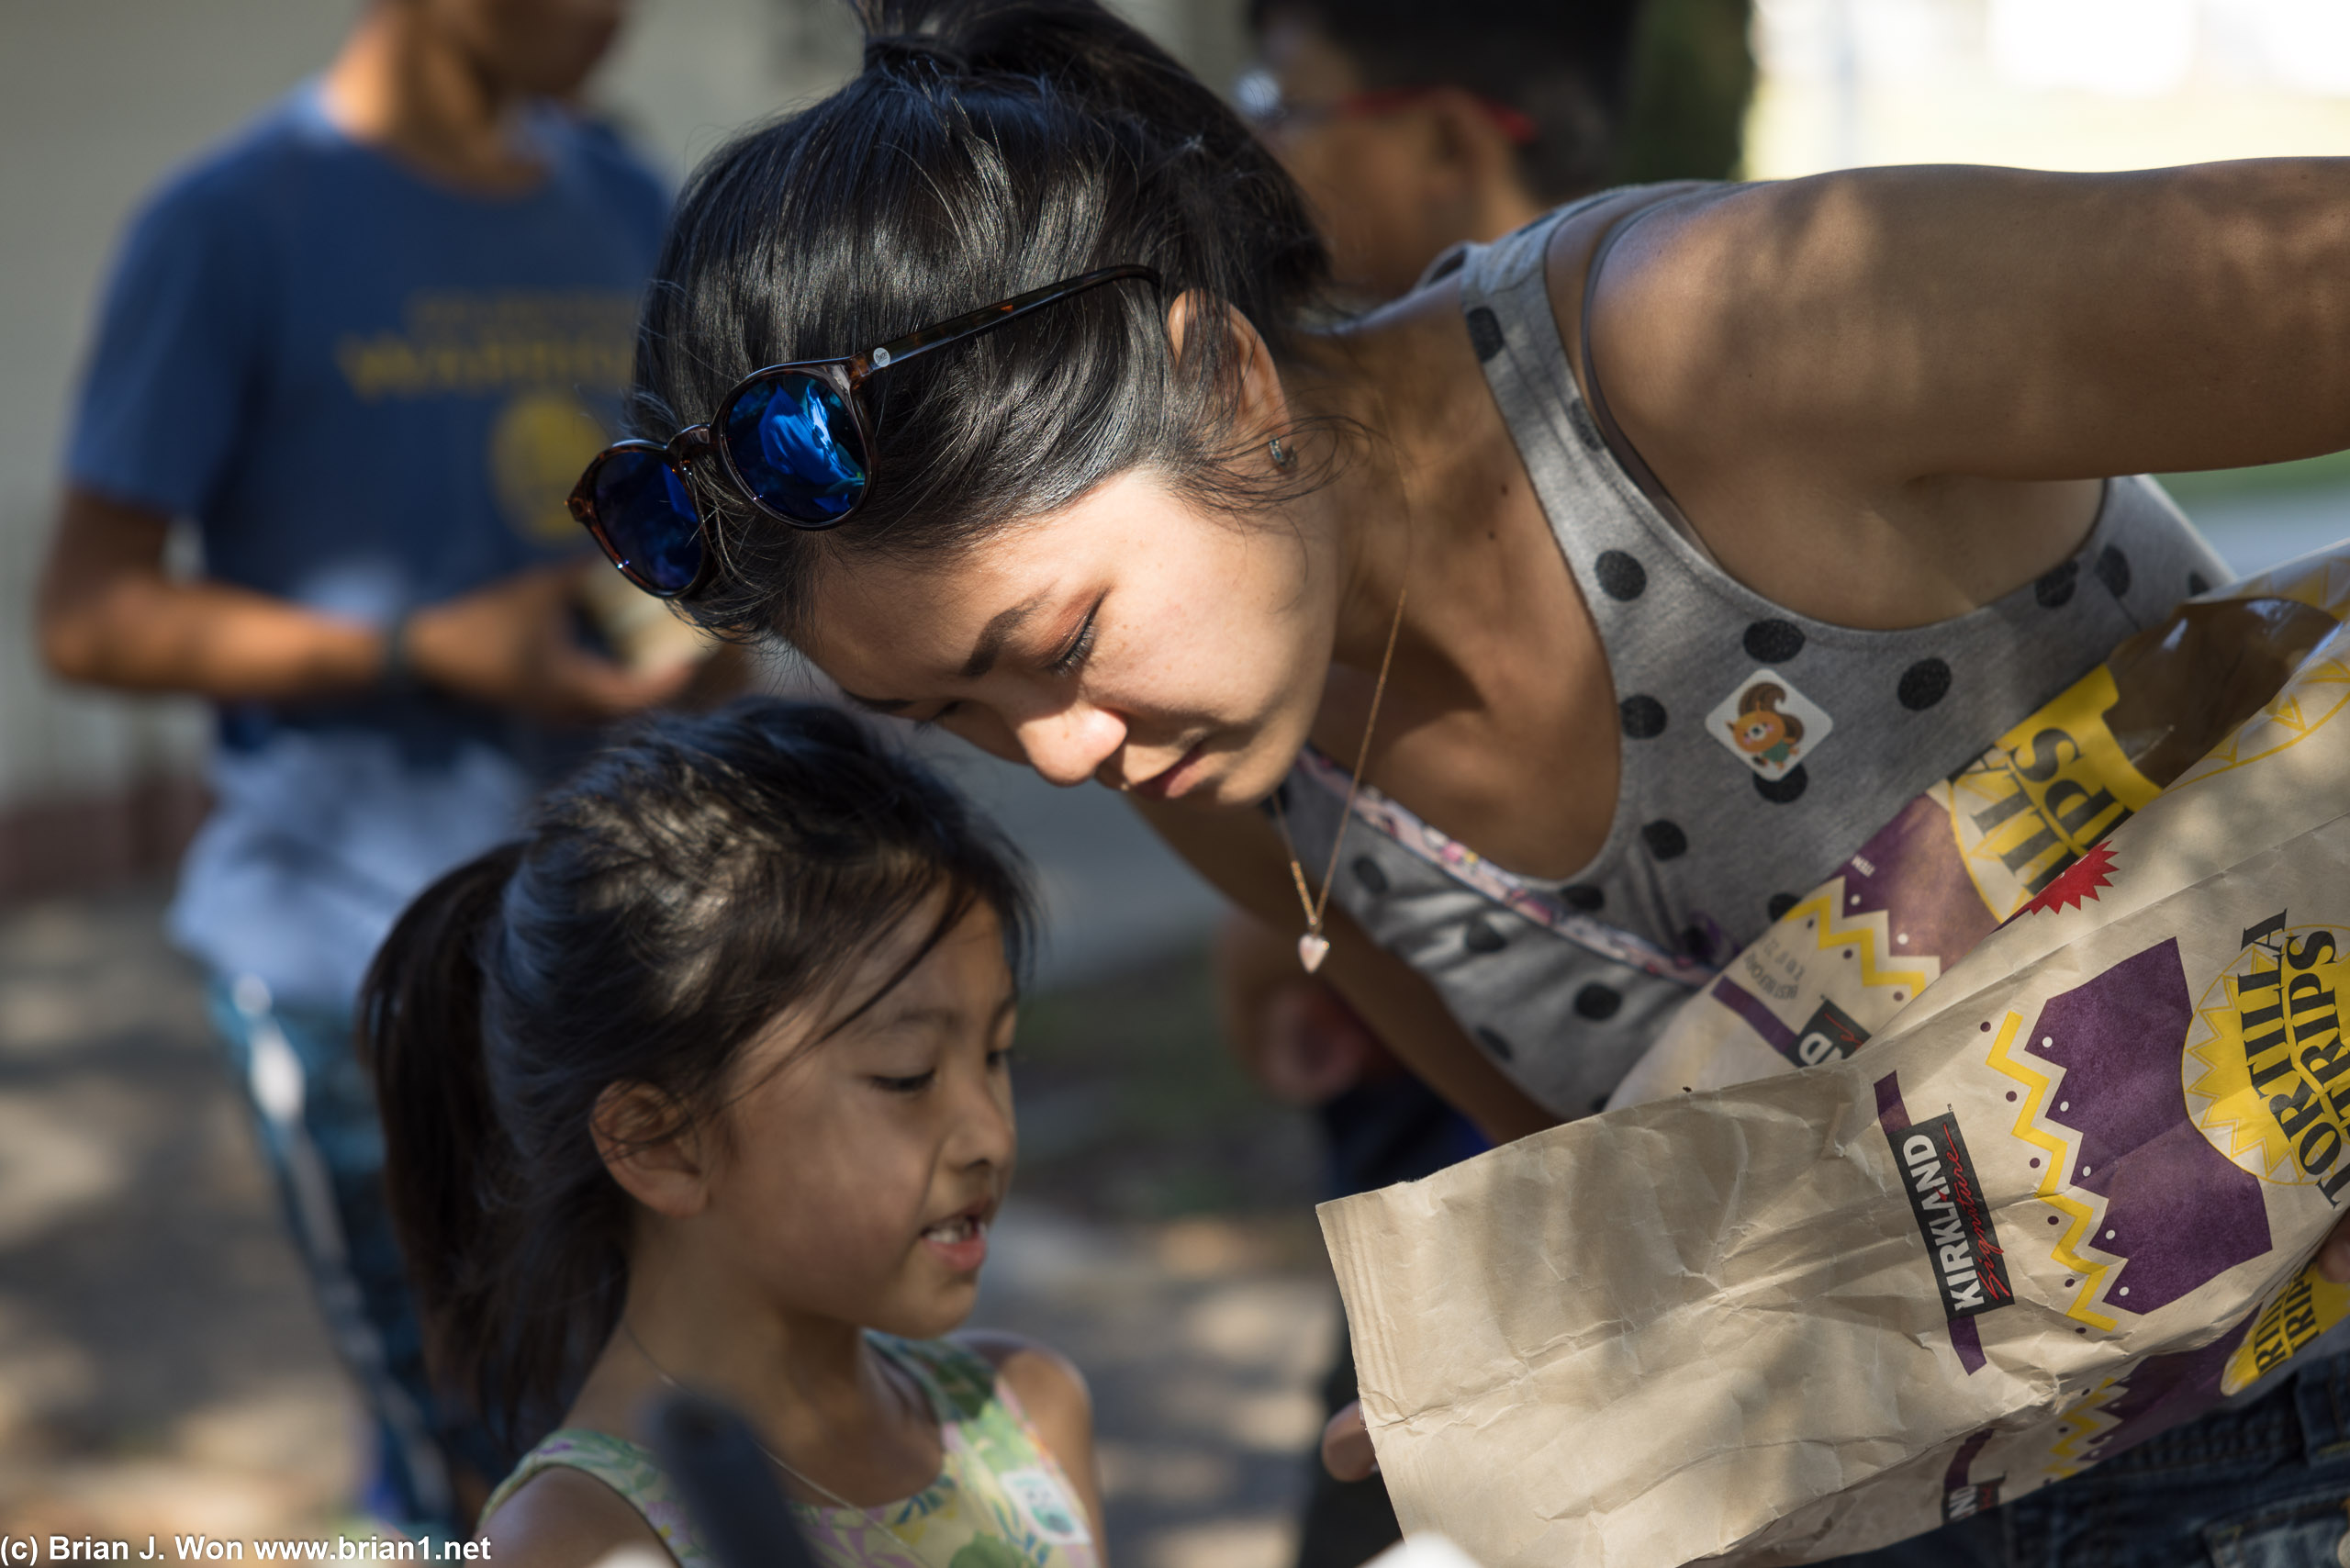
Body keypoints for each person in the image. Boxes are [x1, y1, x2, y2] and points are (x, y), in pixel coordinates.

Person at [567, 0, 2350, 1560]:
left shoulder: (1715, 345)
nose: (1055, 750)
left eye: (1054, 637)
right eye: (946, 710)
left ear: (1224, 376)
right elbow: (1634, 1201)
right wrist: (1572, 1400)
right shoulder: (1205, 763)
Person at [35, 0, 687, 1538]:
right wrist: (416, 648)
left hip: (613, 944)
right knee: (478, 1452)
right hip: (355, 964)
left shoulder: (626, 202)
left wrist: (699, 618)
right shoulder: (228, 225)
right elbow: (87, 611)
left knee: (634, 1423)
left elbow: (675, 514)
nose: (617, 12)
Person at [361, 699, 1104, 1568]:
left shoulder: (1026, 1419)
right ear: (661, 1144)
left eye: (997, 1054)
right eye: (907, 1076)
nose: (989, 1135)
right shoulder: (585, 1541)